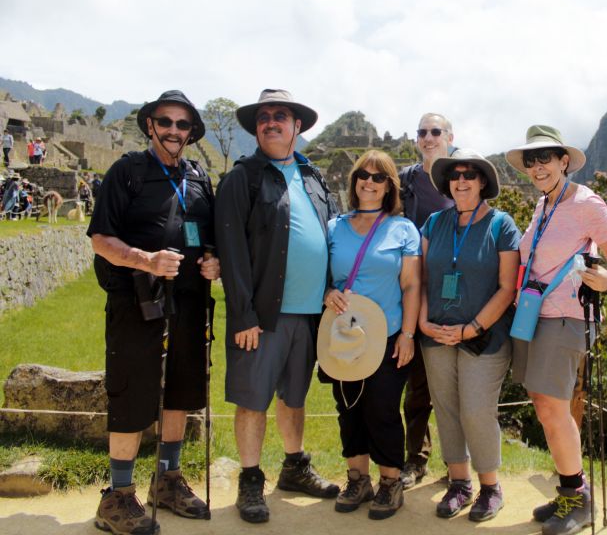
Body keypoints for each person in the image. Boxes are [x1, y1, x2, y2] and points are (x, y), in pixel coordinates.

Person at [87, 90, 220, 534]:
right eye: (166, 122)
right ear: (150, 126)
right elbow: (101, 239)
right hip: (136, 302)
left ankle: (166, 480)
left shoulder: (199, 178)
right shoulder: (127, 172)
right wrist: (145, 260)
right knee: (131, 393)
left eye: (183, 125)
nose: (174, 131)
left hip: (188, 302)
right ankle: (118, 496)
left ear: (190, 133)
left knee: (180, 391)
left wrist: (211, 260)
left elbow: (208, 235)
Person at [215, 88, 341, 524]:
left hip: (309, 313)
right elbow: (231, 250)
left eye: (280, 115)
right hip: (262, 316)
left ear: (297, 126)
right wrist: (244, 314)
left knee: (294, 396)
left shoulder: (314, 178)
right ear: (256, 127)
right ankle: (251, 480)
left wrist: (328, 288)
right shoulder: (243, 179)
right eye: (263, 116)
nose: (271, 122)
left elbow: (330, 240)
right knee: (253, 400)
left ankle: (294, 467)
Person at [505, 125, 607, 535]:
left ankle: (578, 499)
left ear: (564, 161)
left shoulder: (586, 202)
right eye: (531, 160)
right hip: (536, 315)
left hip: (568, 316)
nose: (537, 166)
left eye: (545, 157)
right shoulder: (544, 205)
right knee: (545, 406)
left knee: (553, 407)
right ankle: (569, 490)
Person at [418, 149, 520, 522]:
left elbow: (507, 287)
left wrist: (472, 327)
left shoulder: (501, 225)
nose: (461, 180)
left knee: (476, 410)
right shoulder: (433, 223)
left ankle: (490, 486)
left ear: (482, 183)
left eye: (470, 175)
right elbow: (422, 279)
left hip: (484, 337)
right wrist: (423, 323)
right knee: (446, 409)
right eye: (455, 175)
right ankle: (459, 484)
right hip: (437, 334)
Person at [322, 150, 421, 519]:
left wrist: (408, 335)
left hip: (388, 334)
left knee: (382, 408)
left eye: (379, 177)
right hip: (343, 333)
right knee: (348, 408)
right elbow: (325, 278)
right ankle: (357, 478)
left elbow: (411, 286)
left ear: (389, 186)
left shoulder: (403, 229)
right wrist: (327, 293)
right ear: (354, 180)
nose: (370, 181)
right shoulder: (335, 227)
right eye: (364, 174)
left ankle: (390, 481)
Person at [397, 112, 454, 488]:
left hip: (452, 294)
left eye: (436, 131)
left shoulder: (461, 175)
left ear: (450, 136)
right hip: (411, 291)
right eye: (422, 132)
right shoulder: (406, 180)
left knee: (454, 386)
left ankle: (459, 463)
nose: (428, 137)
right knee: (417, 388)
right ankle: (415, 459)